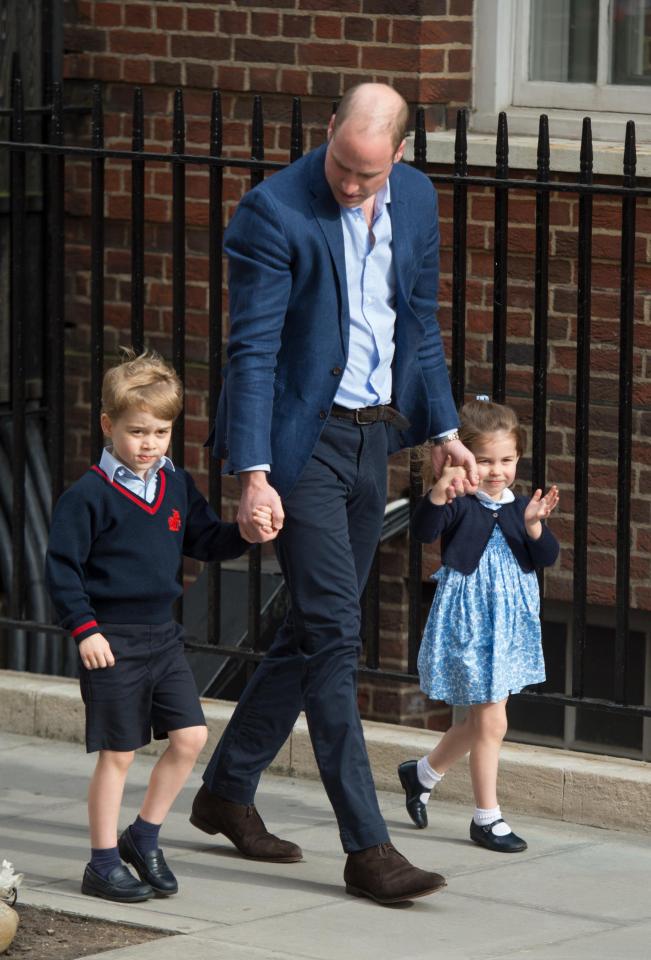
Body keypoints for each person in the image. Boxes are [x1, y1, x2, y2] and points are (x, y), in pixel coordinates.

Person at [191, 82, 477, 905]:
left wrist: (442, 429)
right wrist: (252, 475)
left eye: (368, 174)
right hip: (301, 447)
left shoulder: (415, 198)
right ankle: (367, 846)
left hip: (375, 436)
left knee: (312, 629)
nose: (350, 186)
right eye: (342, 167)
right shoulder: (273, 212)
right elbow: (250, 352)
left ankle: (226, 790)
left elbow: (416, 320)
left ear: (399, 155)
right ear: (327, 135)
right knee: (334, 638)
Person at [45, 350, 270, 904]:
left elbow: (204, 541)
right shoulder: (88, 496)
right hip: (111, 640)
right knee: (119, 753)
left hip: (162, 637)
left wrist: (244, 531)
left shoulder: (173, 483)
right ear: (108, 426)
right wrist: (85, 629)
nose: (149, 443)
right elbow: (61, 570)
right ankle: (100, 863)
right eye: (136, 431)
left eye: (161, 431)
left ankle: (142, 836)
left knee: (191, 736)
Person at [398, 398, 559, 852]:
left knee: (481, 721)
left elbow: (546, 557)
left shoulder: (520, 506)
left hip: (508, 626)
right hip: (470, 620)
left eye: (506, 460)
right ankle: (487, 818)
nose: (496, 471)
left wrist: (533, 527)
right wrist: (439, 490)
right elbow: (424, 531)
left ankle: (422, 773)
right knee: (492, 721)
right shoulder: (458, 501)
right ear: (464, 457)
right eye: (486, 460)